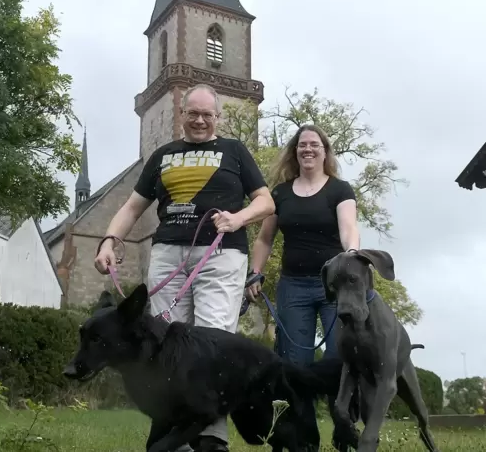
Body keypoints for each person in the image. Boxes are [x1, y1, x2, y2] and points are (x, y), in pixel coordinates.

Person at [94, 83, 274, 452]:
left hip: (220, 254)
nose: (200, 120)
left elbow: (266, 201)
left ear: (217, 117)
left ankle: (211, 438)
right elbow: (131, 208)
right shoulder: (162, 155)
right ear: (182, 114)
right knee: (166, 345)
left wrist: (238, 219)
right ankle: (173, 434)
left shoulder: (234, 151)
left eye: (207, 114)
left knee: (211, 342)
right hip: (168, 254)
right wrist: (109, 241)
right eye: (193, 113)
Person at [248, 123, 360, 364]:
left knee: (338, 356)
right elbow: (265, 238)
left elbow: (349, 228)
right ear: (295, 151)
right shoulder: (280, 193)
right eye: (302, 145)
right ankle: (297, 404)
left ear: (325, 151)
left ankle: (339, 403)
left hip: (334, 285)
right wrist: (255, 272)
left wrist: (352, 255)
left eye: (314, 145)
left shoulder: (340, 190)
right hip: (294, 286)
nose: (307, 149)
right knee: (294, 360)